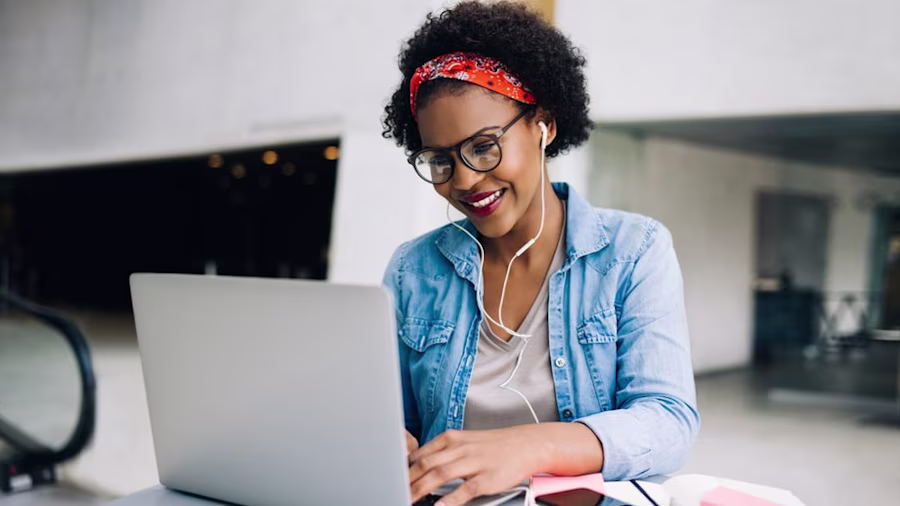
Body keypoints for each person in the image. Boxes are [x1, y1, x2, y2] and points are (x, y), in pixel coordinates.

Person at [381, 3, 699, 505]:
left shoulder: (632, 251)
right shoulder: (413, 269)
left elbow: (668, 420)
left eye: (484, 146)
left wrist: (526, 448)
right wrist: (383, 441)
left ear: (543, 125)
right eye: (440, 160)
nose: (464, 180)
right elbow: (393, 422)